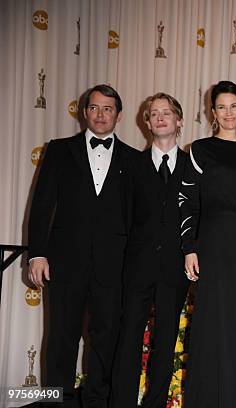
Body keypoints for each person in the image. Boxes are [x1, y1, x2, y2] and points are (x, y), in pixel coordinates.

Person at [27, 84, 138, 408]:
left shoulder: (134, 160)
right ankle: (53, 402)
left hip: (114, 265)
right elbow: (42, 206)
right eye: (94, 107)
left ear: (118, 115)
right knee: (61, 336)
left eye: (108, 109)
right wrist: (38, 253)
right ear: (84, 111)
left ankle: (97, 400)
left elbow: (136, 218)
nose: (101, 114)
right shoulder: (59, 150)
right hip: (65, 262)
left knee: (106, 339)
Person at [180, 81, 236, 407]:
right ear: (212, 112)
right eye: (222, 107)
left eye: (234, 106)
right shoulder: (200, 150)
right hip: (213, 247)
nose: (228, 113)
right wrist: (189, 247)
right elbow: (187, 202)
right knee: (214, 324)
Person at [110, 93, 190, 408]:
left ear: (179, 120)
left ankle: (155, 403)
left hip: (175, 268)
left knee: (165, 340)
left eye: (166, 112)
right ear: (146, 123)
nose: (159, 117)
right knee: (128, 337)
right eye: (153, 113)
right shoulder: (131, 166)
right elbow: (123, 219)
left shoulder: (194, 167)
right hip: (136, 267)